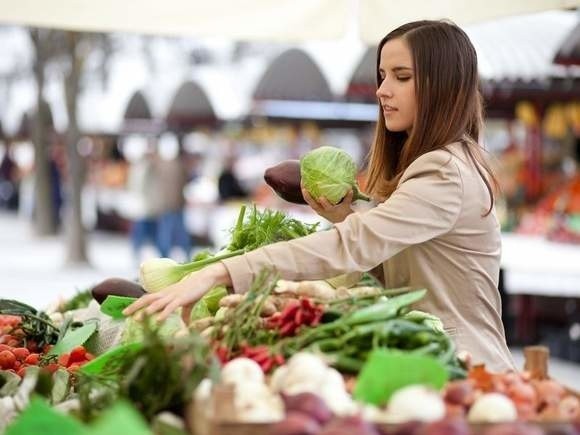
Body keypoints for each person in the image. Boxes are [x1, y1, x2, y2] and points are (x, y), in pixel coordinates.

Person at [125, 20, 515, 372]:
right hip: (428, 361)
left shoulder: (444, 171)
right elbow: (394, 267)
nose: (382, 90)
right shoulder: (437, 163)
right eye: (382, 76)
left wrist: (220, 270)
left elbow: (355, 245)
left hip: (467, 368)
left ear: (442, 86)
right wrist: (345, 214)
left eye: (401, 76)